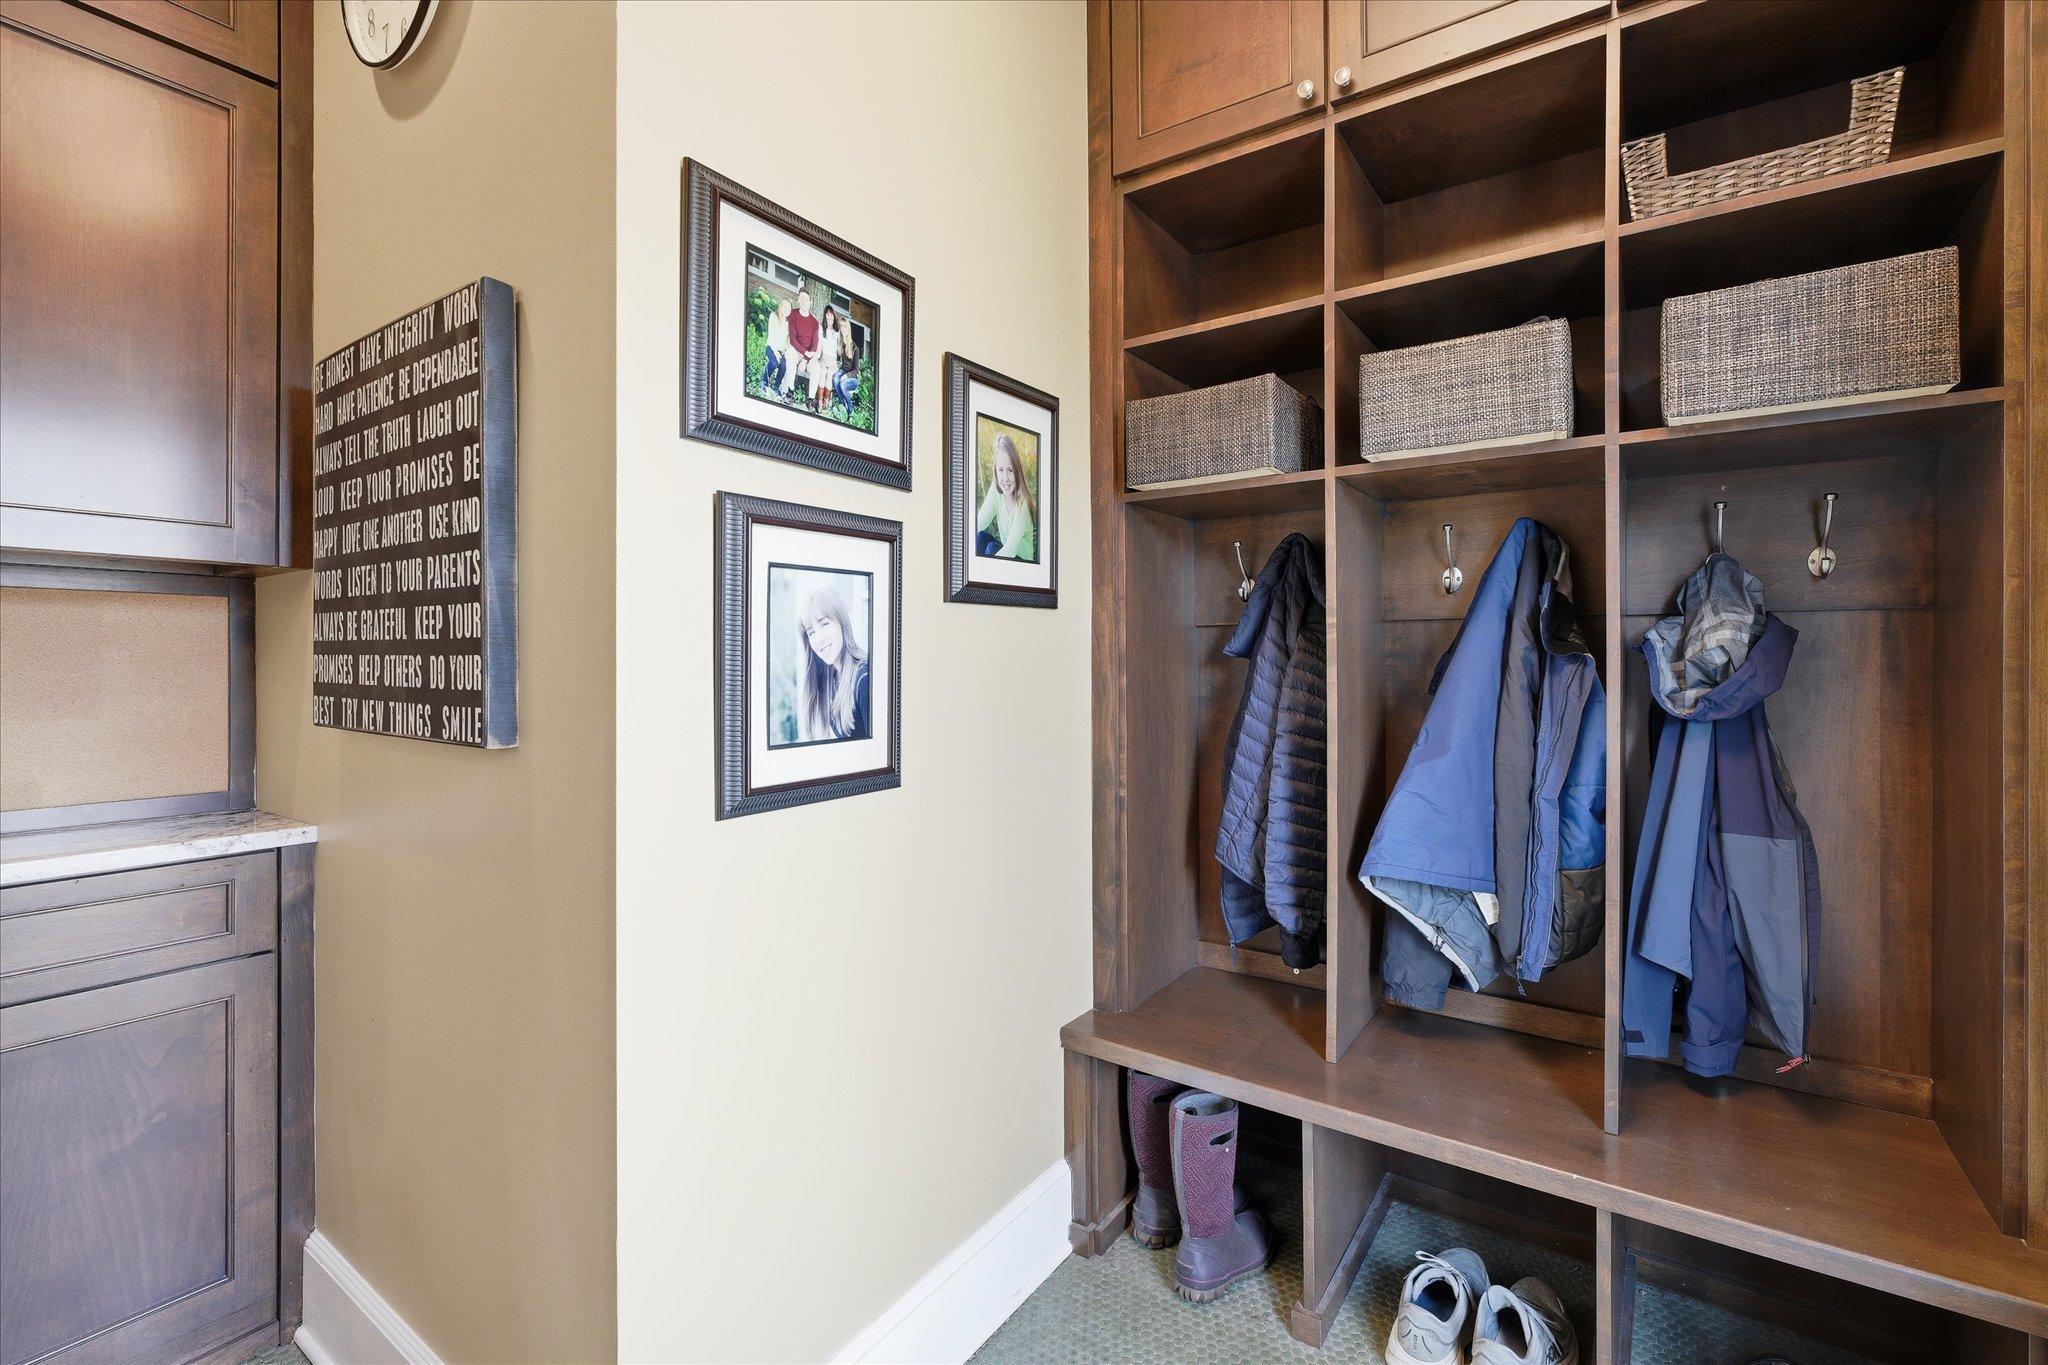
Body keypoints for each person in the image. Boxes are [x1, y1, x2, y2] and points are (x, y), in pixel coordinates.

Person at [795, 582, 871, 742]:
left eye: (824, 624)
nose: (818, 639)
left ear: (842, 622)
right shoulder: (832, 678)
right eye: (811, 632)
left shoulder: (864, 679)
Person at [975, 432, 1037, 560]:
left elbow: (1009, 551)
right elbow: (979, 523)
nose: (1005, 478)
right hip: (1007, 554)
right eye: (1001, 470)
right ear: (995, 470)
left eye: (1010, 470)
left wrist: (984, 567)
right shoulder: (996, 490)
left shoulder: (1022, 505)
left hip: (1021, 563)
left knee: (991, 548)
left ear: (1017, 471)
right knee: (979, 537)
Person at [783, 287, 819, 397]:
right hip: (796, 350)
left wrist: (805, 360)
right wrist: (804, 352)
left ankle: (811, 399)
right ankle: (790, 391)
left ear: (810, 302)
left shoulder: (814, 323)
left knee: (817, 368)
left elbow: (814, 346)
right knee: (790, 354)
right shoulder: (793, 314)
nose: (804, 302)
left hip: (808, 356)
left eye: (806, 299)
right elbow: (793, 340)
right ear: (798, 300)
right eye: (802, 299)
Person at [811, 305, 844, 414]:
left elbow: (839, 351)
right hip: (823, 358)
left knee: (830, 375)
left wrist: (842, 347)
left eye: (831, 315)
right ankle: (820, 401)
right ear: (825, 316)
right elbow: (819, 347)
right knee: (823, 372)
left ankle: (826, 401)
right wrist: (815, 358)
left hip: (833, 361)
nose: (829, 317)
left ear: (834, 317)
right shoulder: (821, 329)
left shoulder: (837, 332)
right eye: (827, 315)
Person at [760, 296, 792, 395]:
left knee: (783, 366)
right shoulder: (773, 316)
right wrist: (776, 353)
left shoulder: (788, 324)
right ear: (780, 306)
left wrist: (785, 349)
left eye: (789, 308)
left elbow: (789, 339)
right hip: (771, 347)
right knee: (773, 362)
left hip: (781, 350)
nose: (786, 310)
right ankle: (764, 382)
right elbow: (772, 336)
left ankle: (776, 388)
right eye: (785, 307)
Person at [832, 315, 861, 414]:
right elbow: (837, 358)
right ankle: (843, 404)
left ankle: (850, 409)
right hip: (843, 372)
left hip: (853, 379)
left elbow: (856, 370)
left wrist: (846, 376)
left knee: (843, 384)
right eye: (841, 326)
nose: (843, 329)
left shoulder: (855, 348)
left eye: (845, 326)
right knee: (836, 378)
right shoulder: (840, 344)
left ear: (848, 329)